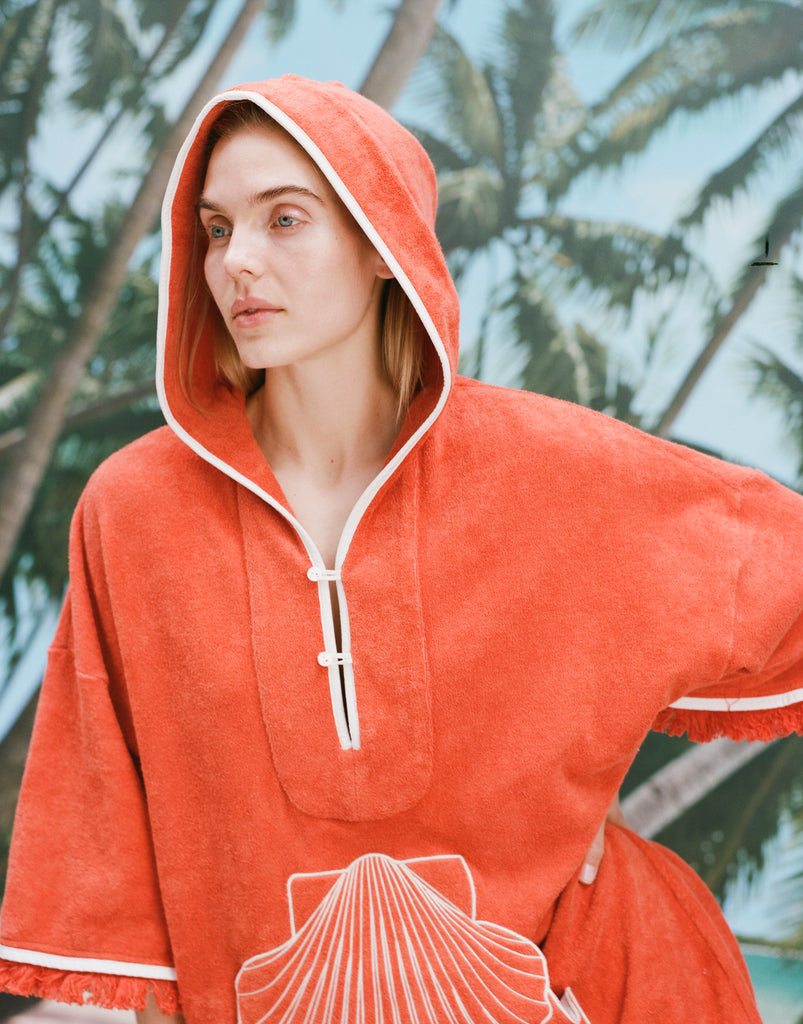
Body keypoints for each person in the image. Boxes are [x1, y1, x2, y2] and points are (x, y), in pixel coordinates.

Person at [0, 74, 801, 1024]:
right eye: (216, 229)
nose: (236, 262)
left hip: (592, 989)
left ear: (383, 244)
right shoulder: (135, 510)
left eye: (284, 220)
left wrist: (586, 767)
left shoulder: (556, 467)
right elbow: (121, 837)